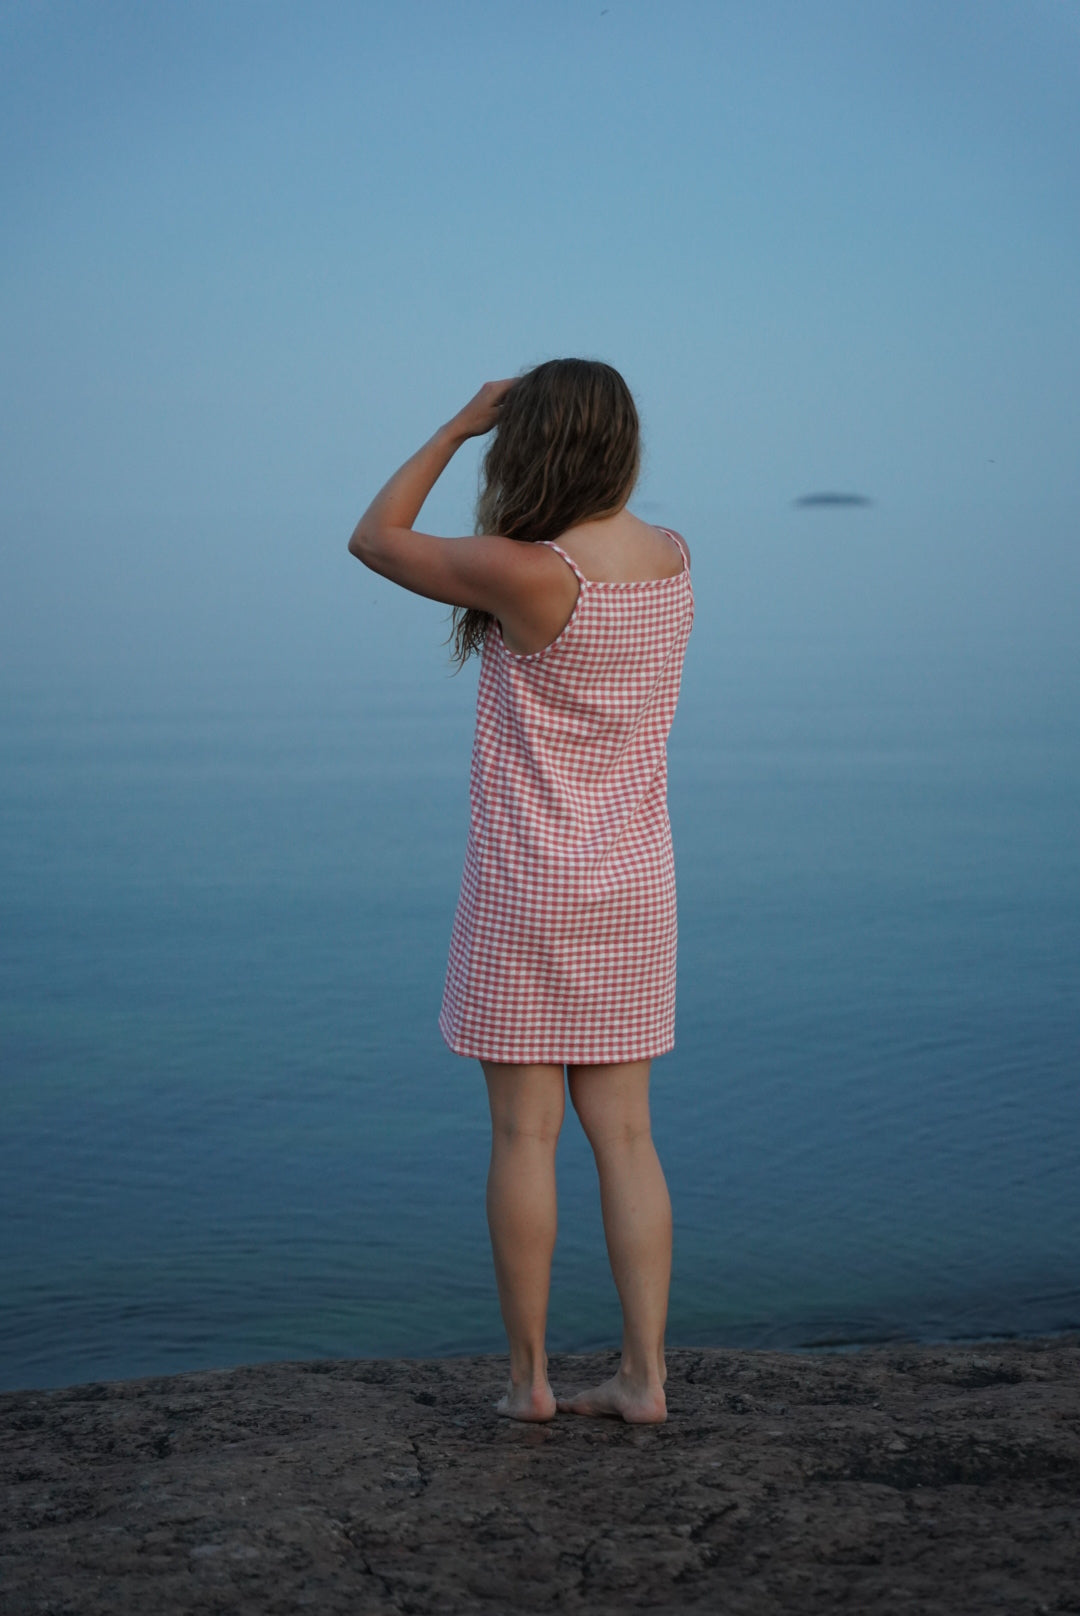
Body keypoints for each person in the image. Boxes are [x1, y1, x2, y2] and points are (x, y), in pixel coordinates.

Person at [348, 359, 694, 1424]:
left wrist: (457, 423)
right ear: (622, 442)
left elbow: (374, 537)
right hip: (635, 884)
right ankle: (644, 1377)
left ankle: (530, 1380)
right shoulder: (672, 558)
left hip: (528, 887)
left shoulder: (532, 572)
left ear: (529, 445)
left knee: (523, 1137)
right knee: (628, 1136)